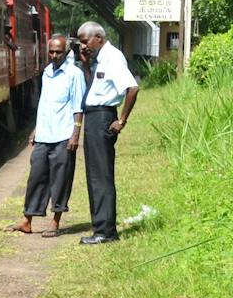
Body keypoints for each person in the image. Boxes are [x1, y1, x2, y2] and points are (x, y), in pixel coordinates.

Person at [11, 36, 85, 237]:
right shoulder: (46, 73)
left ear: (66, 51)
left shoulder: (74, 74)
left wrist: (75, 135)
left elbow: (78, 108)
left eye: (58, 52)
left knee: (60, 179)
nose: (54, 55)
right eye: (51, 51)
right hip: (44, 135)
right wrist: (36, 129)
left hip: (63, 135)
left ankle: (55, 221)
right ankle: (27, 219)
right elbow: (44, 105)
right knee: (36, 177)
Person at [76, 21, 139, 244]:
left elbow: (132, 88)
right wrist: (86, 65)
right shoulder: (100, 60)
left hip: (103, 117)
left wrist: (122, 120)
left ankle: (105, 232)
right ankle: (99, 228)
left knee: (101, 176)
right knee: (94, 175)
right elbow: (94, 89)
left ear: (99, 38)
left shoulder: (112, 58)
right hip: (94, 117)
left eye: (85, 42)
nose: (83, 47)